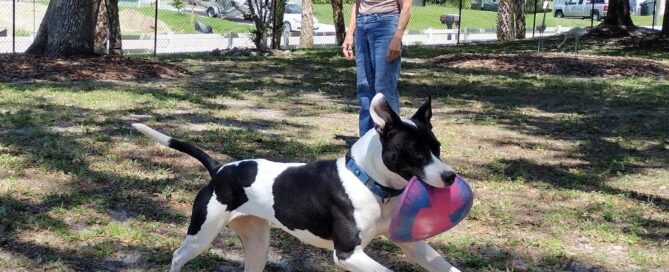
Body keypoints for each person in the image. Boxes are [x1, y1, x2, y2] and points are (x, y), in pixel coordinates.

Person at [342, 0, 412, 136]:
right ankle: (366, 142)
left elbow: (407, 5)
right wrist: (350, 34)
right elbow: (357, 4)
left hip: (386, 24)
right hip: (362, 25)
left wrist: (397, 37)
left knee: (384, 88)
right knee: (364, 87)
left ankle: (392, 142)